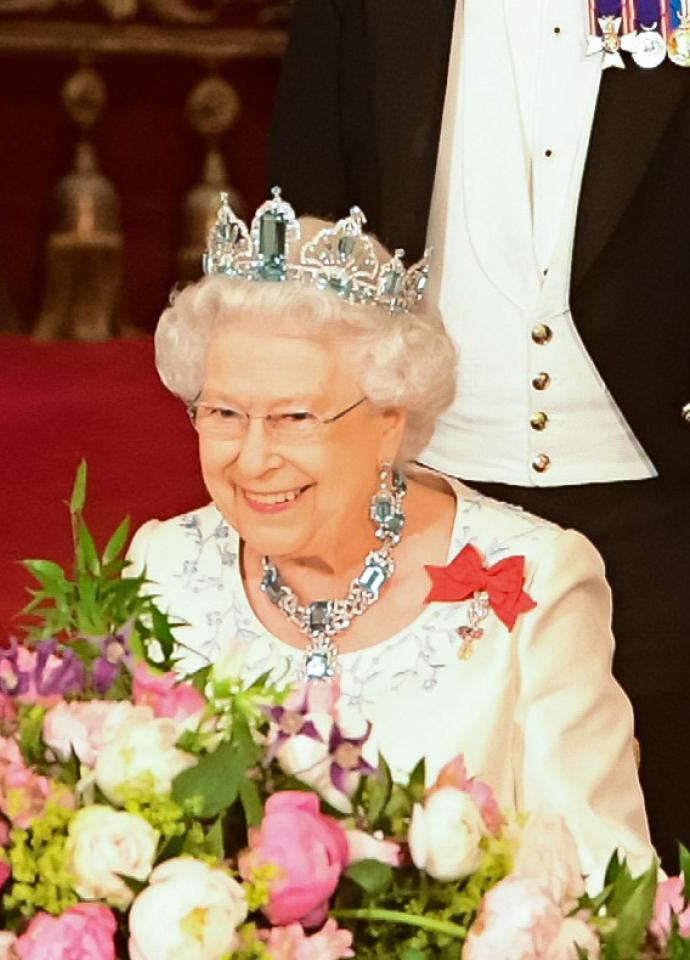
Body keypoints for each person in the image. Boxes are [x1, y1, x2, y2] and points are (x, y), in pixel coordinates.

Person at [266, 0, 690, 858]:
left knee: (662, 842)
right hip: (430, 494)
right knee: (431, 844)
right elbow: (310, 216)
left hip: (662, 495)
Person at [125, 193, 652, 879]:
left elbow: (605, 882)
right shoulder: (162, 565)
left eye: (294, 418)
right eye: (223, 413)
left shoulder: (539, 579)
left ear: (388, 422)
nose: (252, 460)